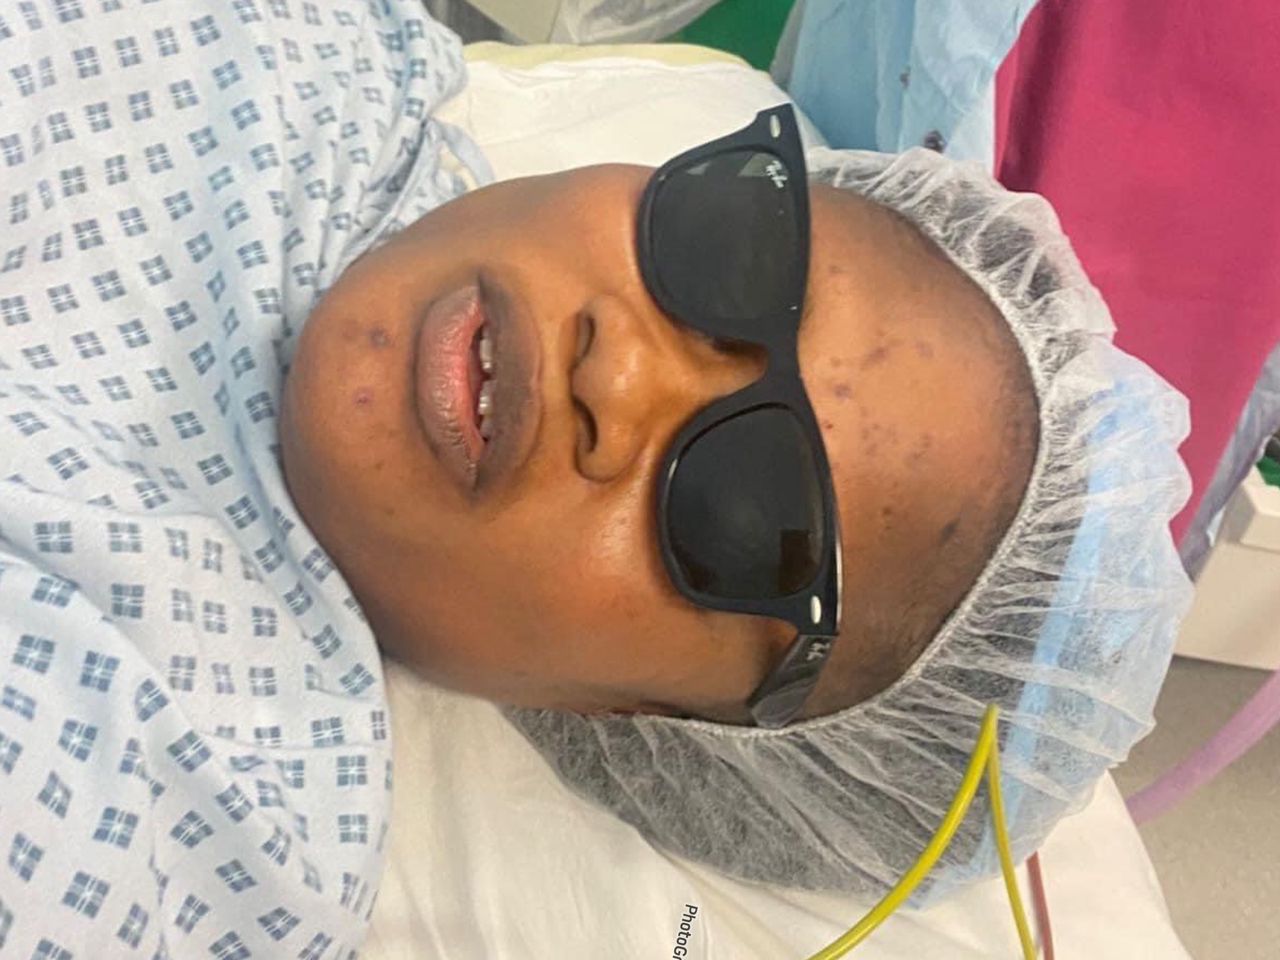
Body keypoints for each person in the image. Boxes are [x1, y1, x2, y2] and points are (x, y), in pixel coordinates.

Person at [0, 0, 1190, 954]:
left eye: (739, 512)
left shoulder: (191, 820)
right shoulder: (342, 61)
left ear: (627, 718)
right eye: (730, 249)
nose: (613, 368)